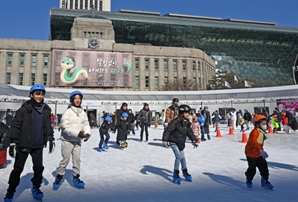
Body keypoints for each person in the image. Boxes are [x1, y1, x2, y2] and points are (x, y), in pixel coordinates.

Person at [4, 84, 55, 201]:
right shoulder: (24, 109)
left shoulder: (46, 110)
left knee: (38, 168)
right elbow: (15, 126)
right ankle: (10, 191)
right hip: (24, 144)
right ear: (31, 95)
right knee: (18, 169)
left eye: (41, 94)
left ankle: (36, 187)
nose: (39, 96)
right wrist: (12, 142)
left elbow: (47, 126)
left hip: (38, 145)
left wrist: (51, 138)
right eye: (37, 93)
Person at [53, 90, 90, 190]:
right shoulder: (68, 112)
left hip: (77, 140)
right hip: (67, 140)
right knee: (65, 159)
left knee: (77, 159)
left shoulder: (83, 112)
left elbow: (86, 124)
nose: (77, 100)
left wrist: (87, 133)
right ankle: (59, 176)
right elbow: (65, 126)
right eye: (75, 98)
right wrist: (78, 133)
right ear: (72, 100)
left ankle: (76, 177)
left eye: (79, 98)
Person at [162, 105, 198, 184]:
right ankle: (176, 174)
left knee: (183, 157)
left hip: (181, 143)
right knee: (178, 157)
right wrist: (165, 140)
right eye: (186, 112)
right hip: (173, 141)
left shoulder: (186, 122)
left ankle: (185, 172)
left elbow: (189, 132)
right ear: (181, 113)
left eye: (188, 113)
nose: (188, 114)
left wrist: (194, 139)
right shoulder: (175, 122)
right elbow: (168, 130)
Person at [245, 114, 274, 190]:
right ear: (257, 124)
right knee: (252, 169)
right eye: (263, 124)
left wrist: (261, 150)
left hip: (258, 153)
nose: (265, 125)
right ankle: (249, 180)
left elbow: (260, 143)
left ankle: (265, 180)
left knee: (264, 167)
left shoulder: (261, 131)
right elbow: (254, 143)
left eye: (265, 123)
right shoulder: (254, 132)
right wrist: (260, 150)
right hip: (251, 153)